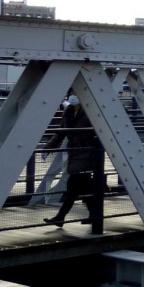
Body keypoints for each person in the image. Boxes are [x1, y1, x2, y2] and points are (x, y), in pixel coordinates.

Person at [41, 96, 100, 228]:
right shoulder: (68, 111)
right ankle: (94, 216)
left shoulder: (90, 110)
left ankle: (60, 217)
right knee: (84, 187)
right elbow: (60, 133)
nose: (73, 95)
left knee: (73, 185)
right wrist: (47, 148)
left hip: (86, 153)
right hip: (74, 154)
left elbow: (99, 132)